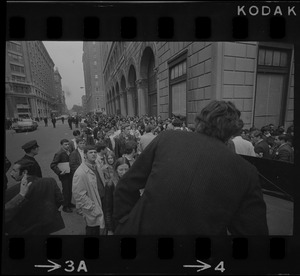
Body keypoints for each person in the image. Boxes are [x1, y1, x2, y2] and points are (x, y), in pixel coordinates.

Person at [113, 100, 269, 235]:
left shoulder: (167, 138)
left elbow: (126, 185)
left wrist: (125, 225)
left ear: (199, 122)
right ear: (232, 132)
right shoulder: (246, 172)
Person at [5, 159, 65, 235]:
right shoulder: (50, 181)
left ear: (24, 172)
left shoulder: (11, 192)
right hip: (46, 225)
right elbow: (60, 200)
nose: (11, 173)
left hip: (25, 230)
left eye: (14, 171)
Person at [72, 145, 107, 235]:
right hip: (93, 208)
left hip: (102, 202)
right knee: (93, 230)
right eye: (90, 152)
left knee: (102, 229)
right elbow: (79, 195)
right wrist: (92, 207)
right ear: (85, 155)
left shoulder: (97, 166)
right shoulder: (80, 173)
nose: (93, 154)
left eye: (95, 152)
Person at [103, 157, 130, 235]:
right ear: (116, 170)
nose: (124, 172)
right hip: (117, 222)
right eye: (121, 170)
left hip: (129, 221)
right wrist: (110, 229)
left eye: (126, 169)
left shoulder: (131, 182)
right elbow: (107, 209)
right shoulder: (110, 185)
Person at [50, 139, 74, 213]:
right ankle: (65, 206)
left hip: (69, 173)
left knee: (70, 189)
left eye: (68, 144)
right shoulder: (59, 153)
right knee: (66, 190)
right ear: (61, 145)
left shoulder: (69, 151)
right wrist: (59, 172)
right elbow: (53, 165)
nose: (67, 146)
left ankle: (69, 203)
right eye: (65, 145)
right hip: (64, 175)